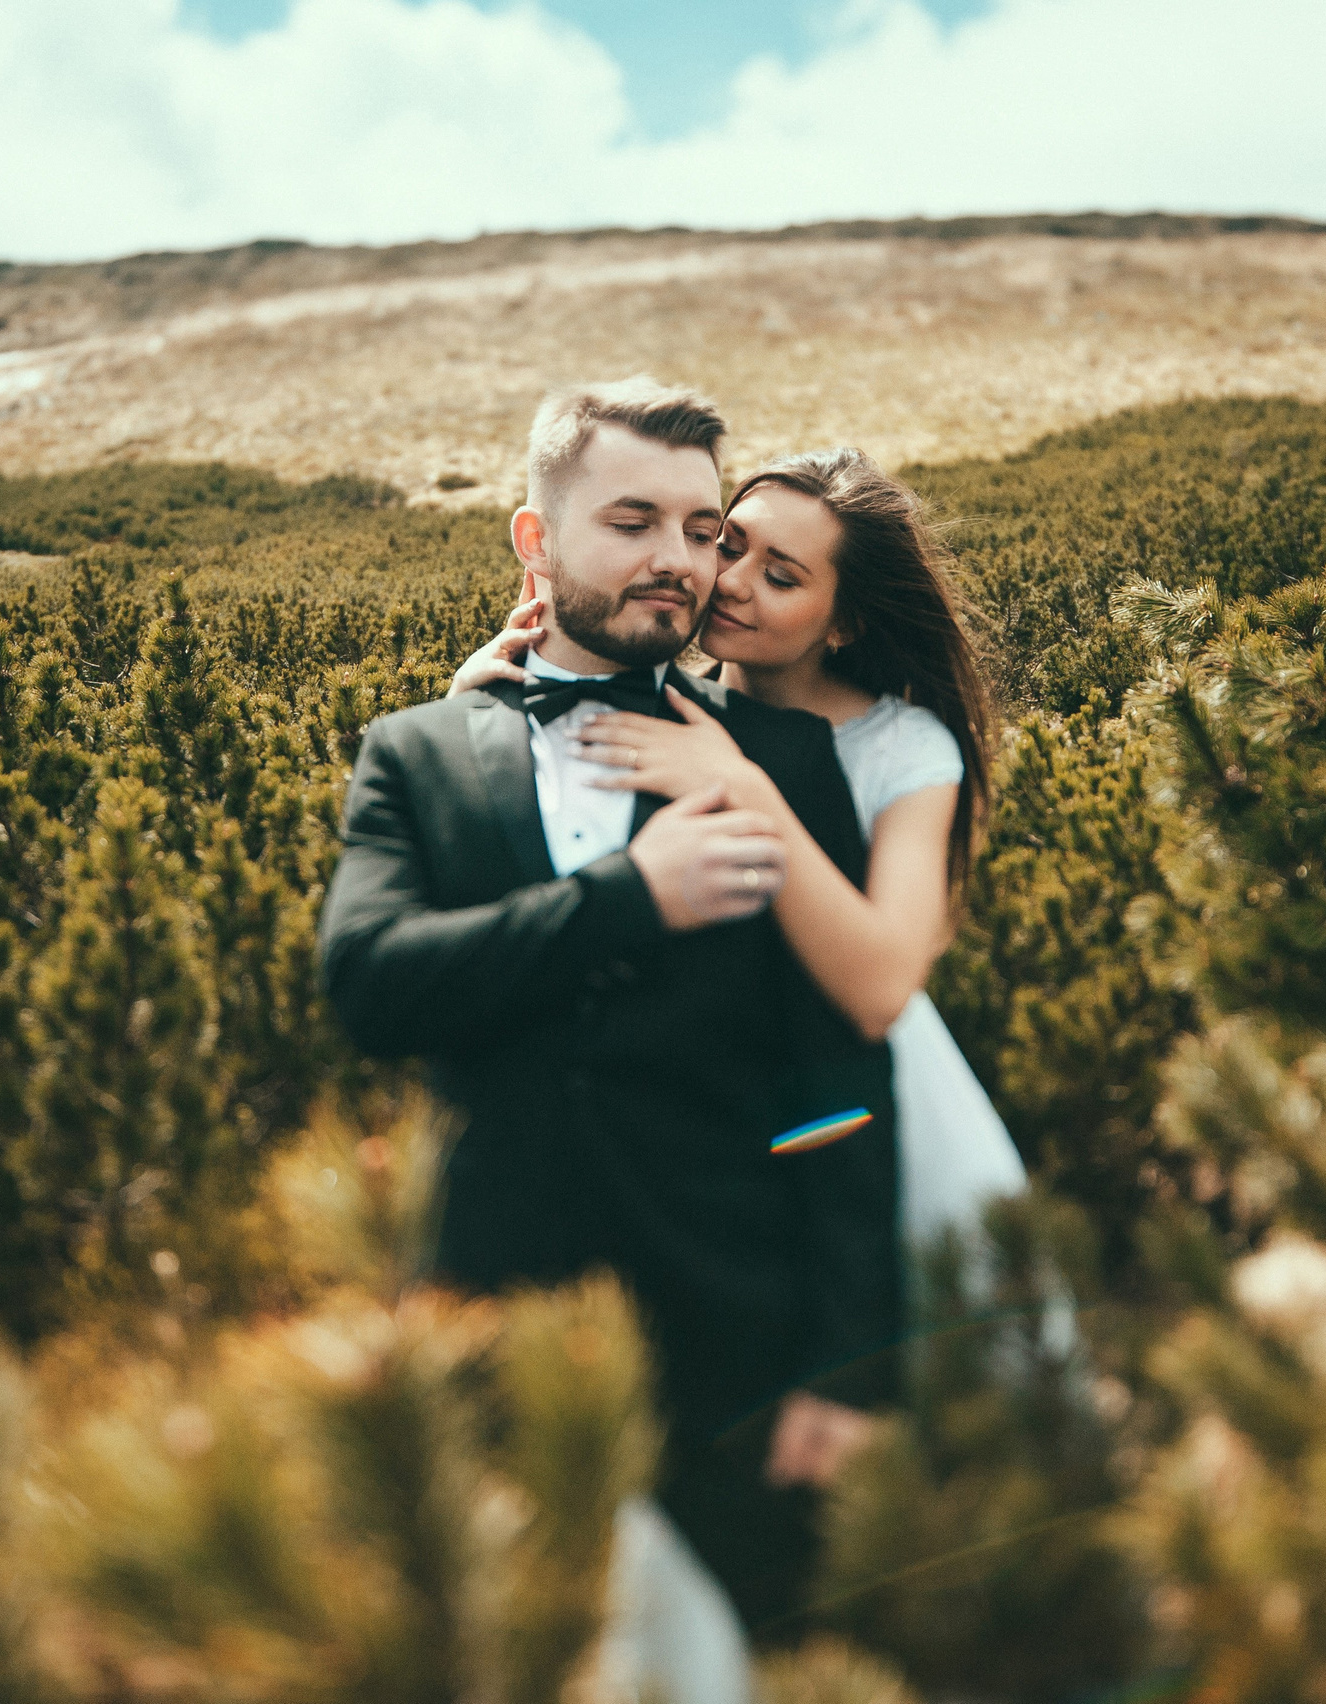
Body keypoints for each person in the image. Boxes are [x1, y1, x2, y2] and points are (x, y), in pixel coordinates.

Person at [316, 381, 903, 1657]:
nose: (678, 562)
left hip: (738, 1349)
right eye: (633, 521)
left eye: (702, 530)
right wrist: (627, 901)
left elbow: (842, 1076)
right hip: (486, 1334)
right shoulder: (416, 751)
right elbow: (369, 982)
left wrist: (852, 1366)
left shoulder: (784, 764)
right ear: (535, 542)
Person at [451, 446, 1027, 1270]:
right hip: (693, 1107)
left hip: (859, 1111)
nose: (729, 581)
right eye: (727, 544)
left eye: (782, 577)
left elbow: (879, 991)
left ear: (846, 621)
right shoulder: (654, 689)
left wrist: (744, 789)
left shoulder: (904, 747)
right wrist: (474, 711)